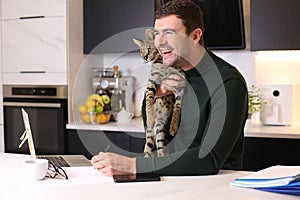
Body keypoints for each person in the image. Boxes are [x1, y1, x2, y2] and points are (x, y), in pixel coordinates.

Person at [91, 0, 248, 176]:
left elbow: (209, 159)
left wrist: (132, 165)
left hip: (215, 186)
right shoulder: (170, 75)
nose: (160, 42)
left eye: (169, 33)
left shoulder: (228, 82)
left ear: (195, 36)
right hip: (175, 178)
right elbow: (149, 125)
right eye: (157, 33)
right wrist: (159, 94)